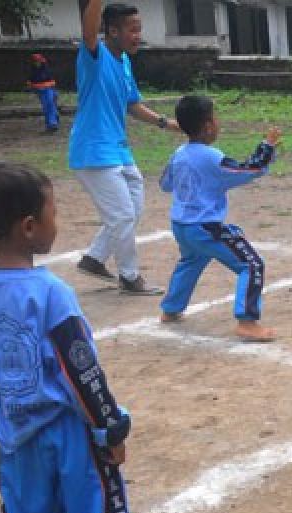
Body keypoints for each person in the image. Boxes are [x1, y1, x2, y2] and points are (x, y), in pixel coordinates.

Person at [0, 161, 179, 513]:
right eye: (54, 212)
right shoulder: (50, 293)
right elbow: (80, 370)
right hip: (70, 433)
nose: (59, 221)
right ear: (30, 227)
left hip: (15, 433)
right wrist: (110, 428)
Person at [70, 0, 183, 295]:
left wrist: (166, 123)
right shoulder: (94, 55)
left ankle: (94, 258)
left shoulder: (124, 62)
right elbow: (88, 31)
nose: (138, 35)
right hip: (94, 150)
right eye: (132, 30)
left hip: (118, 149)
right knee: (121, 215)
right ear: (112, 31)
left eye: (139, 29)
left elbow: (132, 104)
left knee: (132, 208)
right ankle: (130, 277)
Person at [158, 95, 280, 342]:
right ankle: (247, 320)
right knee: (251, 264)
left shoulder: (179, 153)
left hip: (181, 225)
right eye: (215, 117)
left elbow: (165, 184)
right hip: (203, 227)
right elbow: (248, 170)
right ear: (208, 126)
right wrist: (267, 147)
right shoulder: (211, 156)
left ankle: (170, 309)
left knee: (191, 260)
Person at [28, 53, 61, 133]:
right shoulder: (33, 71)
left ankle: (52, 123)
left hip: (49, 89)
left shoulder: (47, 69)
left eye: (39, 61)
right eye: (36, 62)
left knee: (50, 105)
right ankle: (51, 123)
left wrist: (54, 91)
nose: (38, 63)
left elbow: (52, 81)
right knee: (47, 107)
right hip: (41, 91)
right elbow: (31, 82)